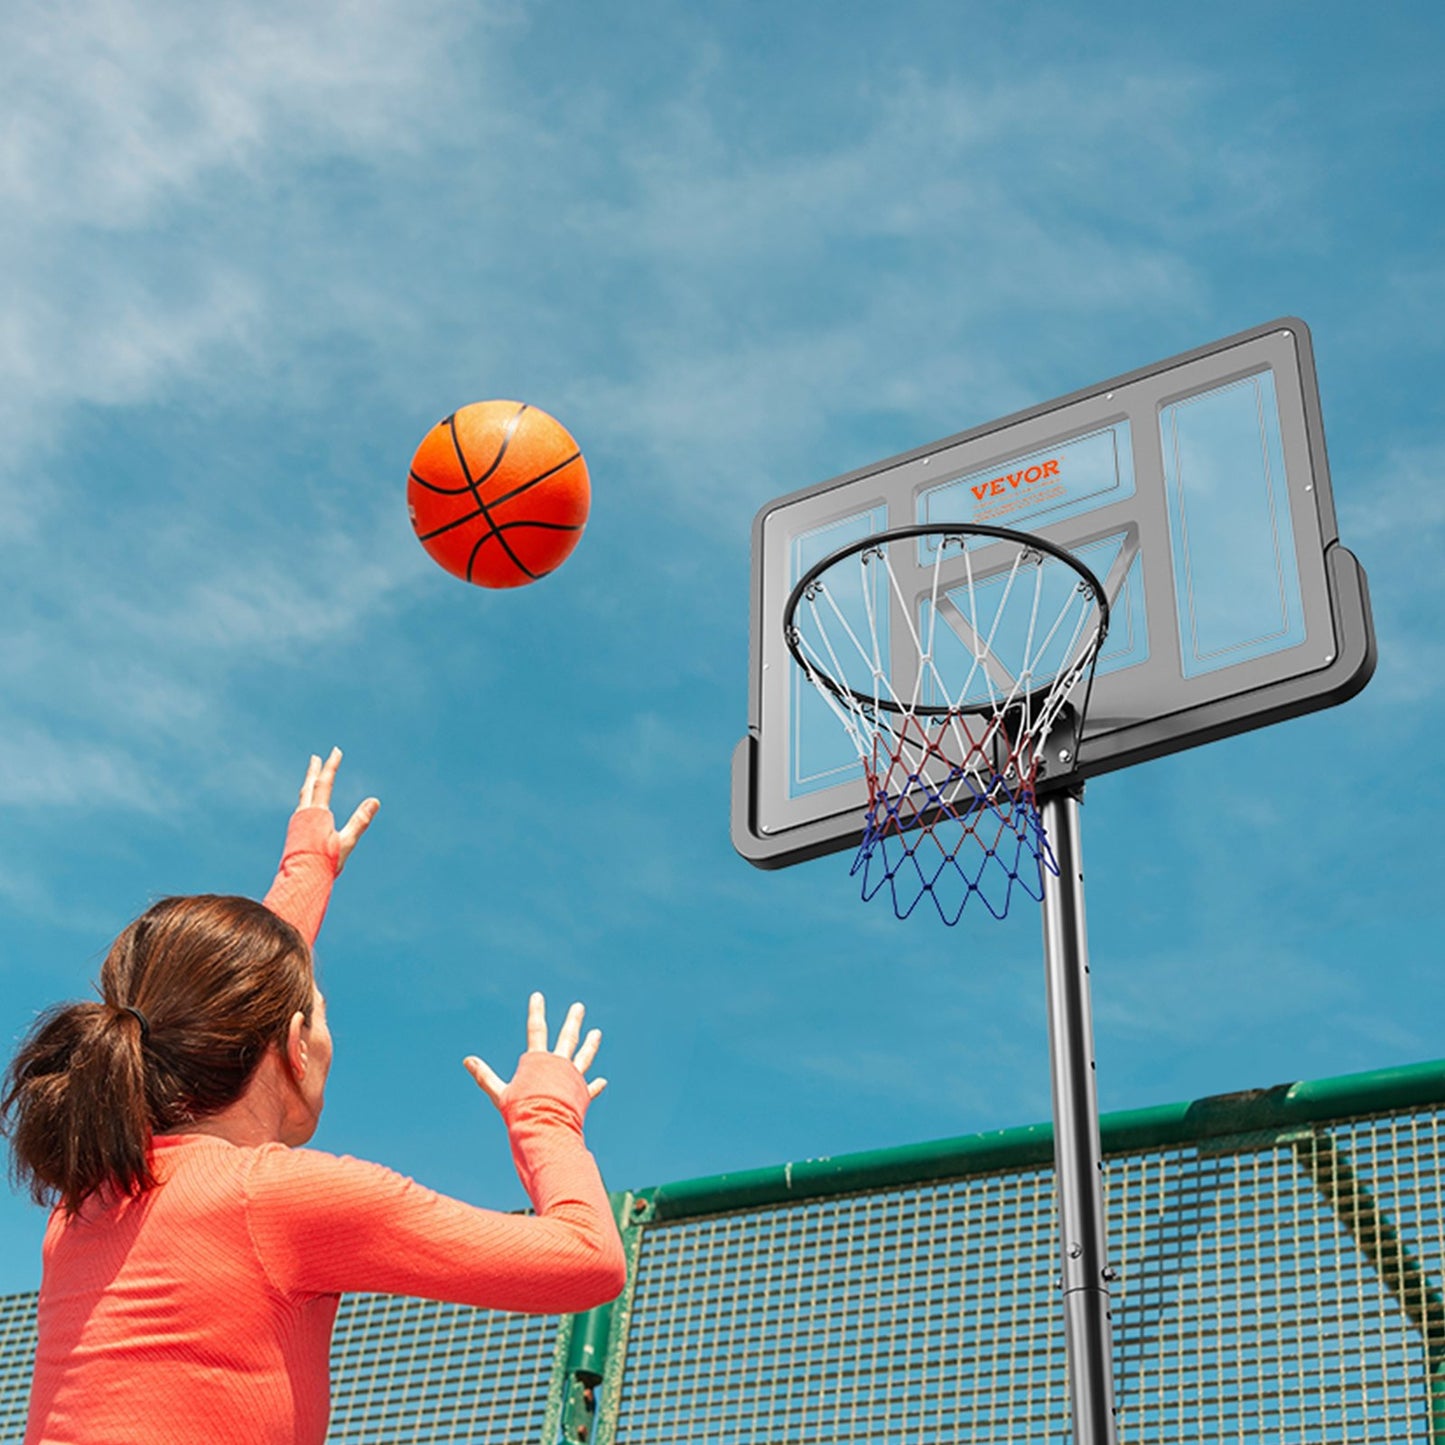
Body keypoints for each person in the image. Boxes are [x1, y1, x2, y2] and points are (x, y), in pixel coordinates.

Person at [2, 749, 625, 1445]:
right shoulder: (275, 1197)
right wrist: (546, 1115)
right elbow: (586, 1259)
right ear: (297, 1044)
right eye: (322, 1014)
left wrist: (307, 872)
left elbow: (217, 1003)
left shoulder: (87, 1200)